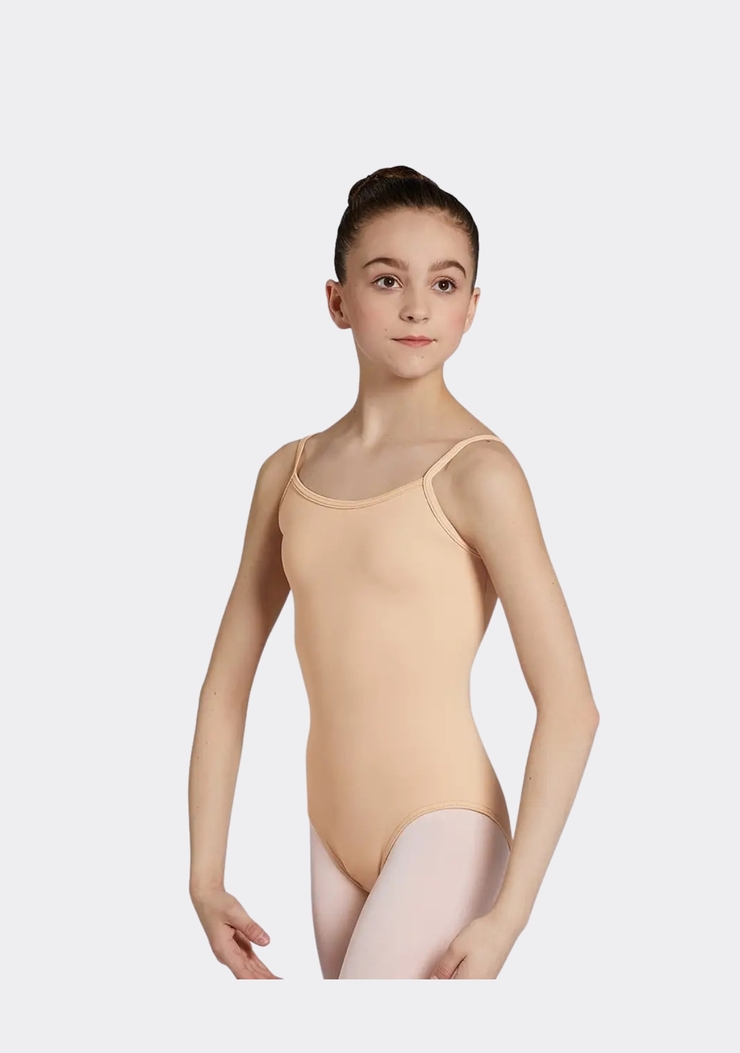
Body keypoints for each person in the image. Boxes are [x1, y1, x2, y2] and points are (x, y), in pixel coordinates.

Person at [188, 165, 600, 979]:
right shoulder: (287, 474)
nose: (417, 308)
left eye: (444, 284)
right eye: (387, 280)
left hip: (445, 826)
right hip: (331, 832)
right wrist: (204, 876)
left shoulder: (479, 474)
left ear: (471, 306)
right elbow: (225, 687)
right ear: (338, 300)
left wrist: (509, 916)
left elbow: (571, 707)